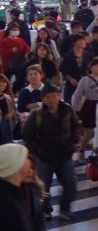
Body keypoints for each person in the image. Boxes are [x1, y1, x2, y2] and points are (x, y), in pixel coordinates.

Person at [21, 83, 81, 220]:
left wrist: (73, 143)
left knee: (71, 184)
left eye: (54, 96)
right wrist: (37, 151)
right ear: (43, 99)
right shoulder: (37, 115)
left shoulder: (68, 111)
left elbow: (76, 127)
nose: (51, 99)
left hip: (65, 156)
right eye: (47, 97)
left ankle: (65, 209)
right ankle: (45, 210)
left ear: (59, 96)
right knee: (43, 187)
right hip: (44, 158)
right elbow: (27, 135)